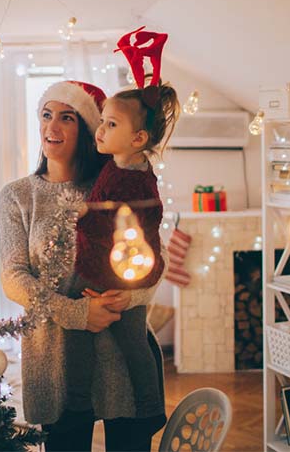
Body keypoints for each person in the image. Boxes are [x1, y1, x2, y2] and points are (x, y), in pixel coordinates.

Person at [0, 80, 167, 451]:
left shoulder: (116, 183)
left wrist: (129, 297)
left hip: (119, 355)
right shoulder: (18, 195)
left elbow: (154, 256)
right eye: (46, 115)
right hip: (53, 358)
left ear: (88, 129)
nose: (51, 127)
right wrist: (76, 313)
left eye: (67, 118)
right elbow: (13, 277)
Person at [67, 79, 180, 432]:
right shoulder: (119, 165)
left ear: (138, 139)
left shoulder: (132, 181)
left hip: (110, 274)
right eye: (102, 121)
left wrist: (81, 218)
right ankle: (133, 405)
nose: (100, 130)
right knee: (128, 341)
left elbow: (121, 229)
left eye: (111, 124)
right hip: (112, 270)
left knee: (117, 339)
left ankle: (117, 405)